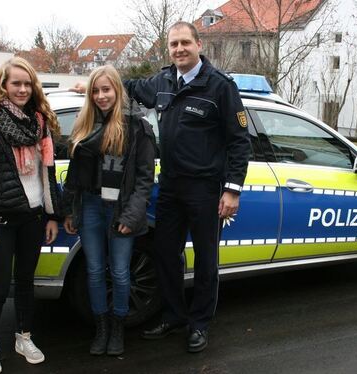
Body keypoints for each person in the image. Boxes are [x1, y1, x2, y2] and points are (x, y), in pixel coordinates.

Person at [72, 21, 250, 352]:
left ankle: (199, 324)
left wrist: (232, 189)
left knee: (206, 261)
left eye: (185, 43)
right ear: (169, 50)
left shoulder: (221, 87)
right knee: (166, 255)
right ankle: (173, 315)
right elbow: (128, 86)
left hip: (206, 190)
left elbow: (240, 142)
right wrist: (91, 85)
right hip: (170, 187)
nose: (179, 49)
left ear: (199, 45)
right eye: (173, 45)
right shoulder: (164, 81)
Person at [0, 57, 61, 374]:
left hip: (32, 218)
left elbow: (48, 173)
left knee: (25, 283)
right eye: (15, 83)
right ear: (3, 85)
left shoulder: (39, 121)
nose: (22, 89)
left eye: (27, 83)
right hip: (1, 222)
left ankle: (24, 337)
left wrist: (51, 216)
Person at [62, 65, 155, 356]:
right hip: (89, 205)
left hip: (121, 209)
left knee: (120, 272)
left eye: (107, 89)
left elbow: (144, 178)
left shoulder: (137, 127)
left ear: (117, 90)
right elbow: (74, 176)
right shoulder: (84, 124)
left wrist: (131, 216)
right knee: (93, 271)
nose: (102, 96)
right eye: (96, 91)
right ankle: (101, 328)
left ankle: (118, 328)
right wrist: (68, 211)